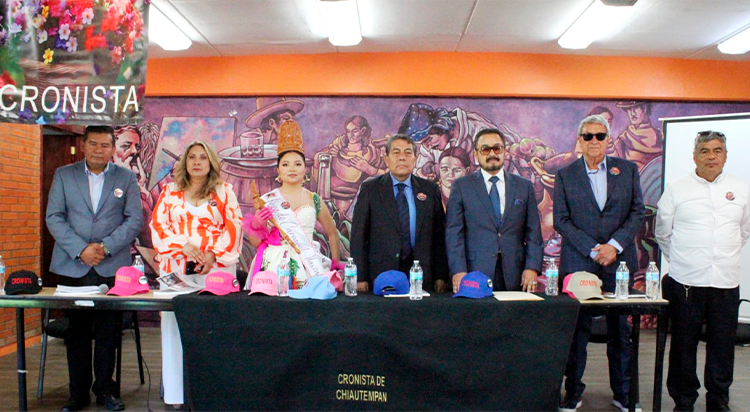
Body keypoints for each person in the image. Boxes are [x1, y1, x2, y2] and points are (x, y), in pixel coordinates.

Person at [46, 125, 143, 412]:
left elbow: (134, 220)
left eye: (104, 145)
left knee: (108, 333)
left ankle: (105, 390)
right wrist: (81, 250)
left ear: (113, 148)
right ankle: (77, 393)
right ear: (83, 145)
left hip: (111, 266)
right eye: (93, 144)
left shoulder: (126, 178)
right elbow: (54, 217)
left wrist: (105, 247)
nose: (98, 150)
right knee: (76, 333)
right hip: (72, 265)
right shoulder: (64, 175)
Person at [553, 115, 645, 412]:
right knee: (576, 332)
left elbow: (637, 211)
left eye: (600, 135)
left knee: (621, 331)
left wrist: (613, 246)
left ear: (609, 140)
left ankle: (624, 394)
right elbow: (561, 220)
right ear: (579, 140)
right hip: (580, 261)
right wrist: (594, 250)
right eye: (588, 136)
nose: (594, 141)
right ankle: (573, 393)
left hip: (619, 263)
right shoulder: (565, 175)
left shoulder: (627, 170)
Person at [655, 130, 750, 412]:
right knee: (683, 345)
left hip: (725, 281)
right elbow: (663, 233)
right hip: (686, 281)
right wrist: (684, 259)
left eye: (717, 151)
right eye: (705, 151)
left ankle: (718, 399)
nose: (712, 157)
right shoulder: (677, 189)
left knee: (723, 345)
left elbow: (743, 231)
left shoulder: (741, 188)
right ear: (695, 157)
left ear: (725, 156)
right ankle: (683, 400)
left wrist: (722, 254)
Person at [150, 140, 243, 409]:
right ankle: (176, 396)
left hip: (215, 269)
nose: (197, 162)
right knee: (174, 328)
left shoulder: (224, 191)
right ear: (185, 162)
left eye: (203, 157)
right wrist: (182, 245)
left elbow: (234, 227)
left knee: (215, 330)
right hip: (176, 269)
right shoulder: (170, 192)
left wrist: (212, 254)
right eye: (192, 157)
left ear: (211, 162)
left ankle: (213, 394)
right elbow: (158, 226)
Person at [244, 119, 341, 289]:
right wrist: (257, 224)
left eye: (297, 164)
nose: (292, 169)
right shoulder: (267, 199)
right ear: (278, 170)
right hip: (274, 263)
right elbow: (255, 243)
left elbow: (332, 233)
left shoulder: (314, 199)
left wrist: (335, 263)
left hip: (309, 263)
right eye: (286, 164)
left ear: (305, 169)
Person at [445, 128, 543, 293]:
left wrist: (532, 268)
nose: (492, 153)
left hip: (515, 274)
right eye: (485, 149)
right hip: (473, 273)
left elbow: (534, 232)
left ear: (505, 152)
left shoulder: (524, 186)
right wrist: (458, 271)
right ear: (476, 154)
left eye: (497, 148)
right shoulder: (462, 186)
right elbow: (454, 233)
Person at [350, 133, 448, 292]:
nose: (402, 157)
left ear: (415, 158)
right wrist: (360, 277)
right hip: (381, 275)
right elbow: (358, 236)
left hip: (421, 274)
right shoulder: (370, 189)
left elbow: (439, 236)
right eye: (396, 152)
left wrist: (441, 275)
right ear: (386, 158)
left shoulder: (430, 189)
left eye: (408, 153)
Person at [313, 115, 386, 217]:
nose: (350, 135)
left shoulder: (371, 151)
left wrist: (368, 168)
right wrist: (329, 153)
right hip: (330, 191)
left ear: (363, 130)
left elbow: (351, 176)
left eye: (354, 131)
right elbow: (319, 158)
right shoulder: (340, 142)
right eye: (348, 131)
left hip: (355, 195)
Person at [612, 101, 663, 170]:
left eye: (636, 108)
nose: (632, 113)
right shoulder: (623, 140)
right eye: (629, 109)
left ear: (644, 108)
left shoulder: (660, 137)